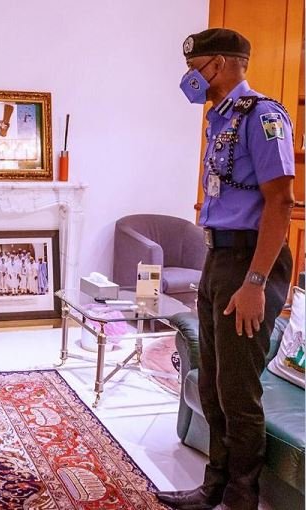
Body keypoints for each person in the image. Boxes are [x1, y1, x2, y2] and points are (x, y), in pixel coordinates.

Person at [156, 28, 294, 510]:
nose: (192, 78)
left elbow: (281, 202)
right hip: (218, 256)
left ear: (226, 63)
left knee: (238, 390)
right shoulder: (220, 119)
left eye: (199, 68)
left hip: (252, 258)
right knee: (214, 383)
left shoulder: (264, 116)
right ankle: (213, 485)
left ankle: (241, 498)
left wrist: (256, 283)